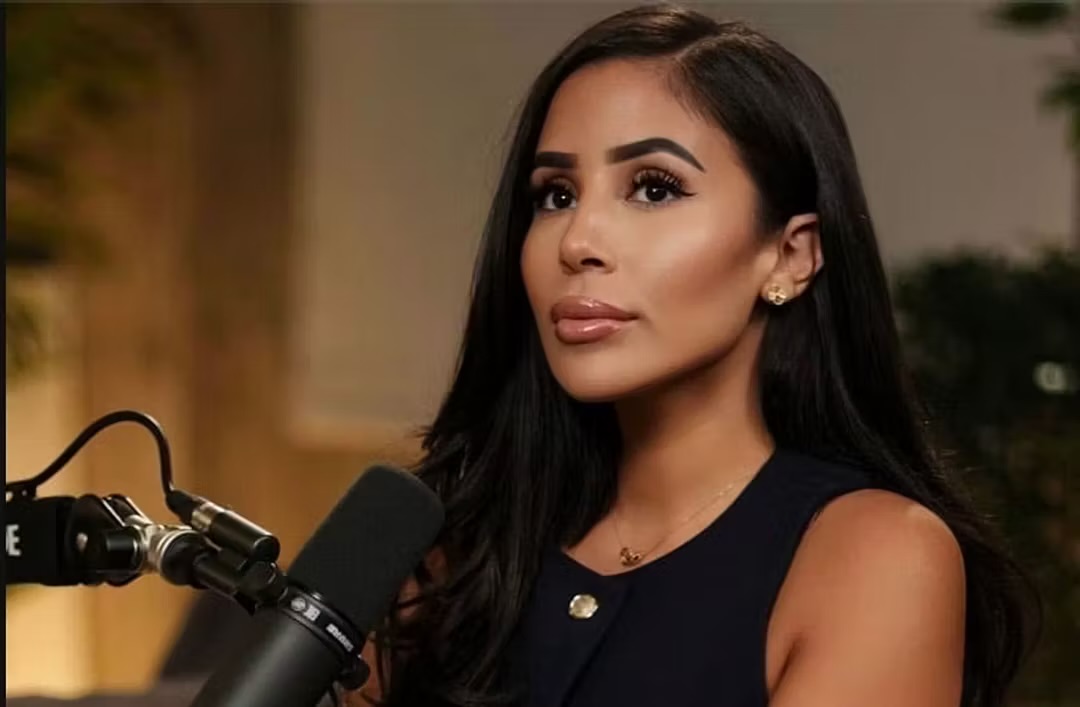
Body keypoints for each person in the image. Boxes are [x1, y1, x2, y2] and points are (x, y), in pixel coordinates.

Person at [348, 5, 1038, 707]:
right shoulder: (454, 554)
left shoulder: (874, 556)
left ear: (790, 255)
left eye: (654, 188)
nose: (577, 241)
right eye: (555, 195)